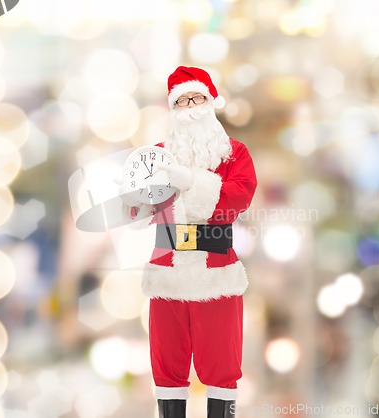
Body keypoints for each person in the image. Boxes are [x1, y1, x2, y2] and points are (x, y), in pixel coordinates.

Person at [122, 66, 257, 418]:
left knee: (222, 362)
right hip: (167, 271)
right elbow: (139, 207)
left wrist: (192, 182)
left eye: (196, 98)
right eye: (182, 101)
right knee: (167, 363)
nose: (191, 106)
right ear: (173, 110)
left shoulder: (235, 154)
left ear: (210, 101)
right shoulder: (155, 156)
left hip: (217, 272)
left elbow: (236, 199)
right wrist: (133, 203)